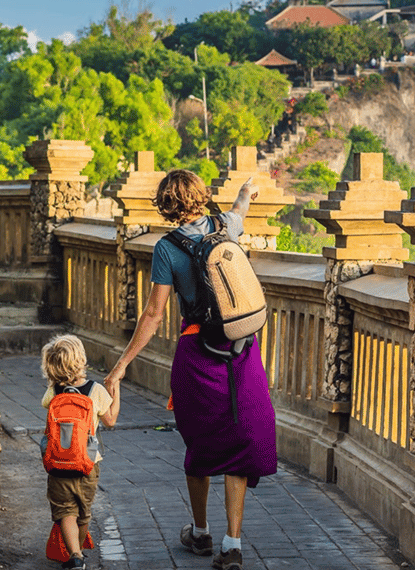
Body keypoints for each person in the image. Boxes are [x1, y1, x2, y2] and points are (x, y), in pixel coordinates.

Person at [103, 170, 276, 570]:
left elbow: (153, 313)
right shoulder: (225, 226)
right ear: (202, 196)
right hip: (241, 349)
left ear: (165, 206)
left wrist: (121, 365)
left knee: (199, 443)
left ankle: (200, 533)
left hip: (198, 353)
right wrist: (245, 191)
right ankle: (232, 543)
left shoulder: (166, 249)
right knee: (238, 441)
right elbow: (240, 208)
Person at [41, 334, 120, 570]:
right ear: (82, 361)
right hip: (88, 462)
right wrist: (115, 393)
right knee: (83, 512)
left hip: (57, 462)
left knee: (65, 510)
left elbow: (47, 405)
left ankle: (75, 556)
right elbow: (110, 420)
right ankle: (78, 549)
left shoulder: (53, 391)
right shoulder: (95, 390)